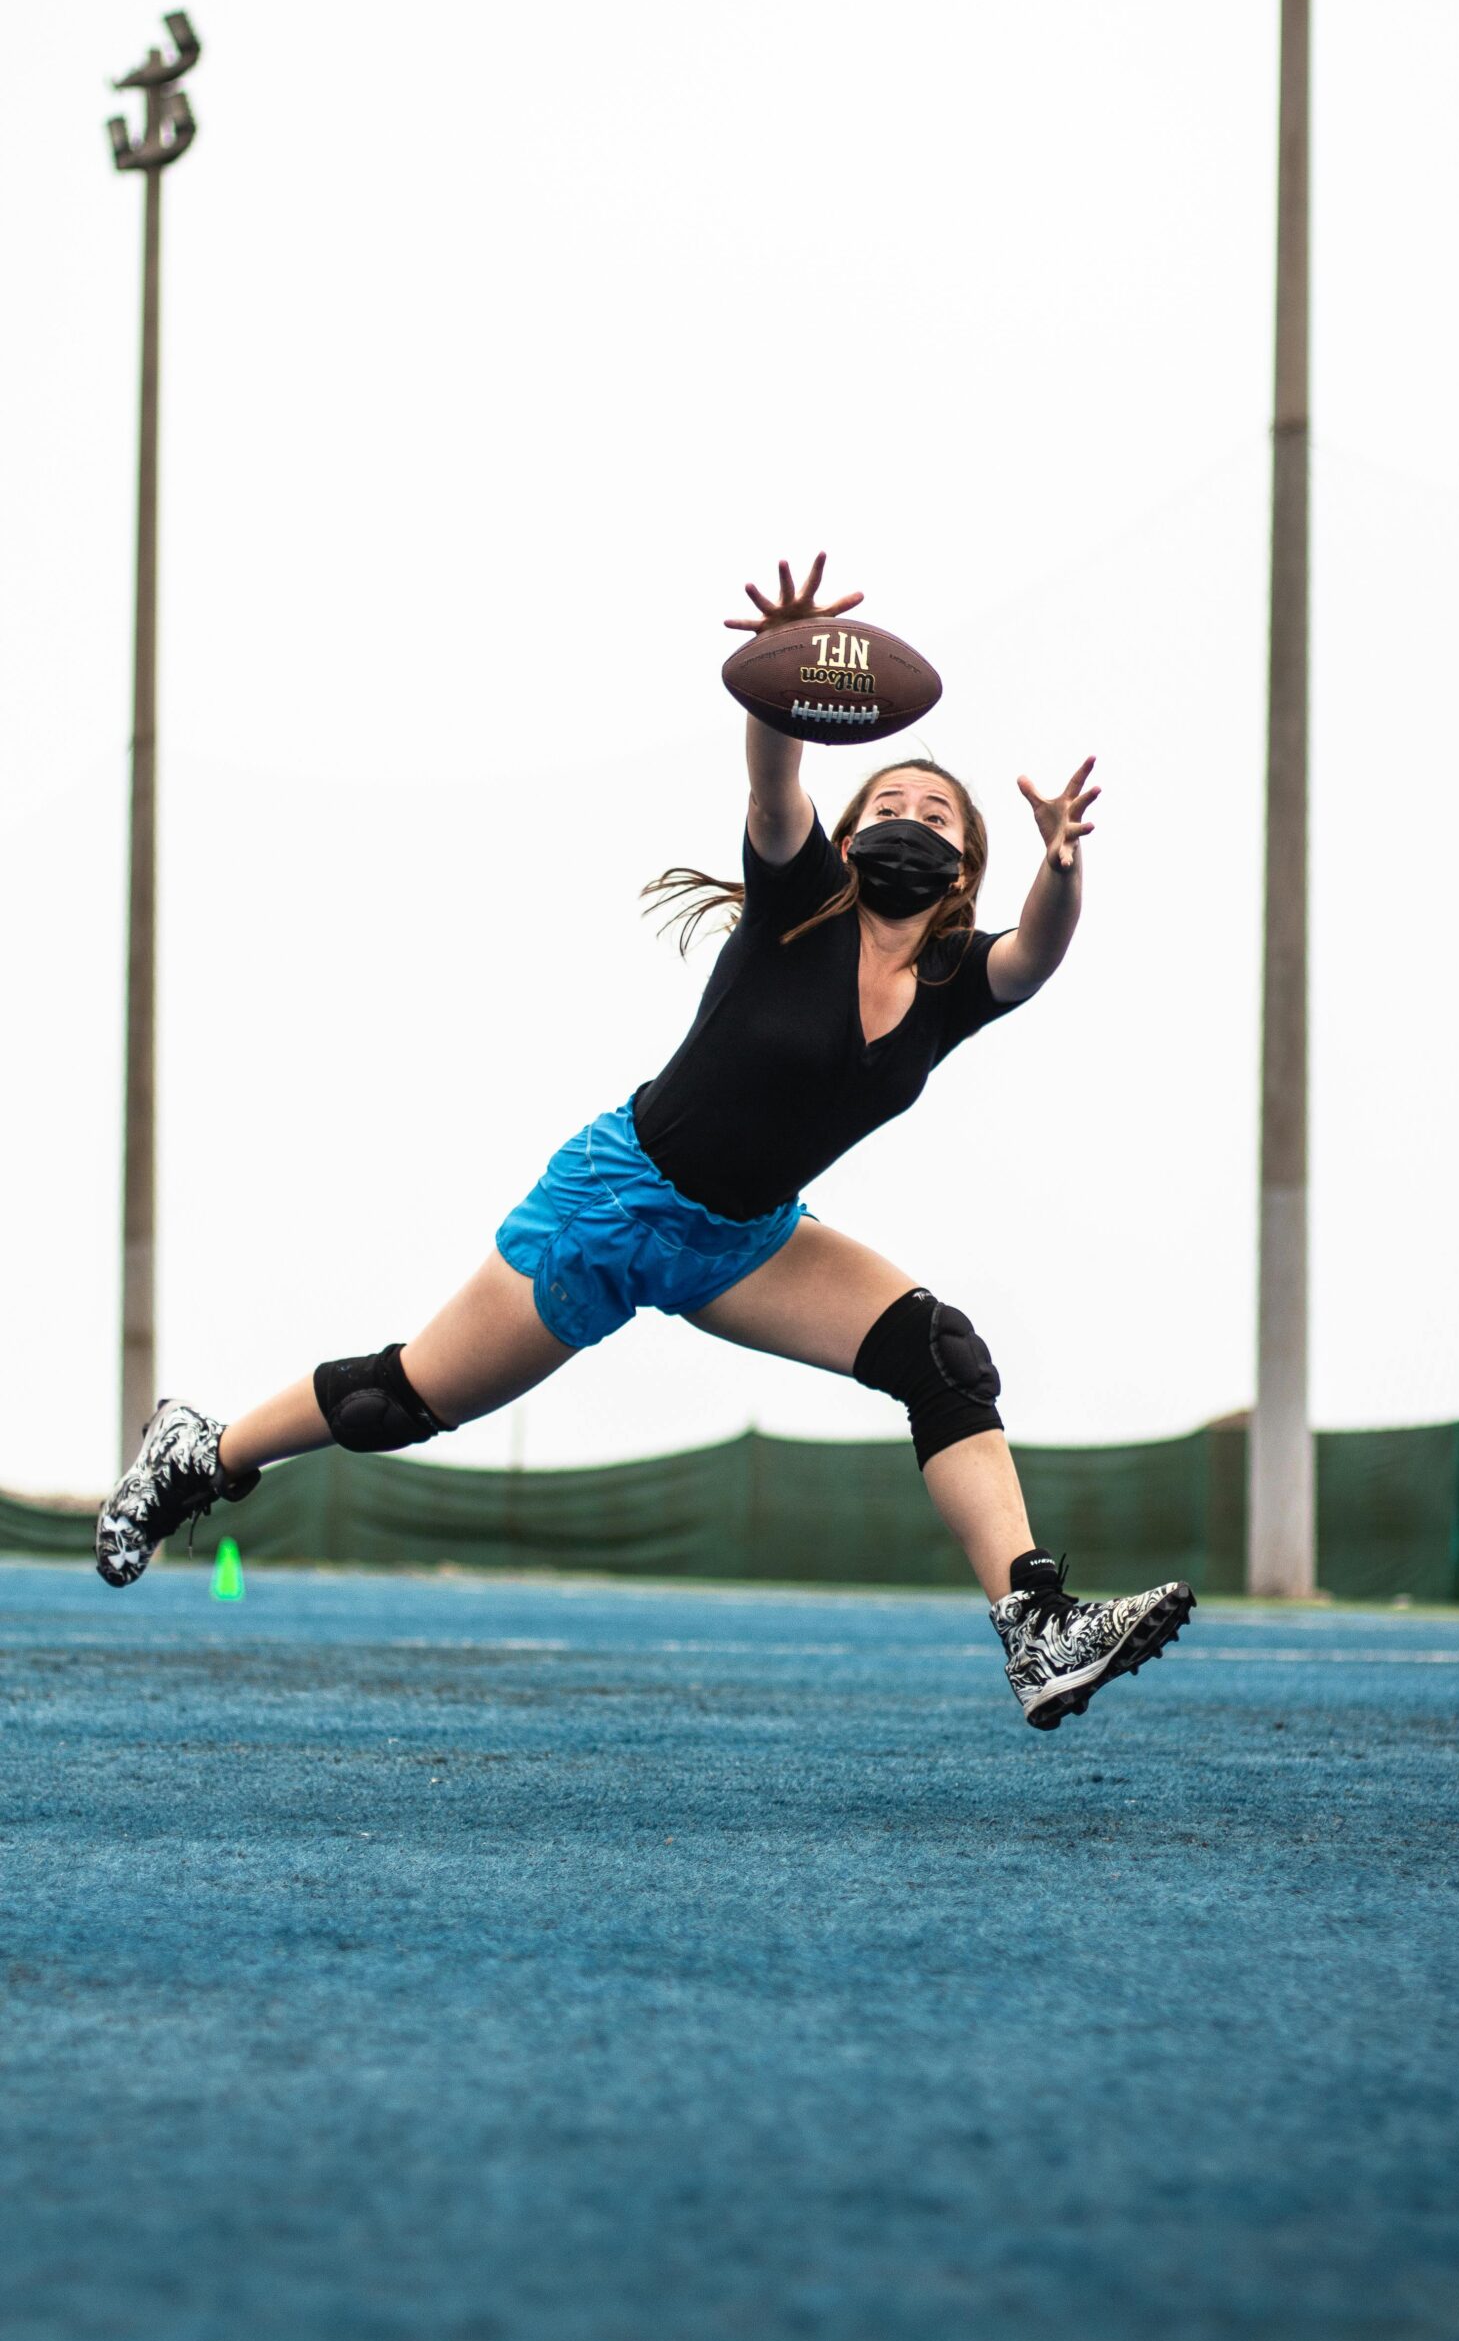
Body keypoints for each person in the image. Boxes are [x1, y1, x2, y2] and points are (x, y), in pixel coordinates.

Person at [95, 556, 1194, 1728]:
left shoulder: (954, 981)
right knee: (407, 1401)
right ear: (852, 830)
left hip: (748, 1242)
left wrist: (1064, 868)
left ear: (967, 864)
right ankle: (200, 1453)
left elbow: (1037, 950)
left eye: (936, 816)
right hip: (616, 1204)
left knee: (944, 1358)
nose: (907, 822)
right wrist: (786, 684)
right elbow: (777, 790)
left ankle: (1034, 1625)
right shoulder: (803, 899)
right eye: (887, 804)